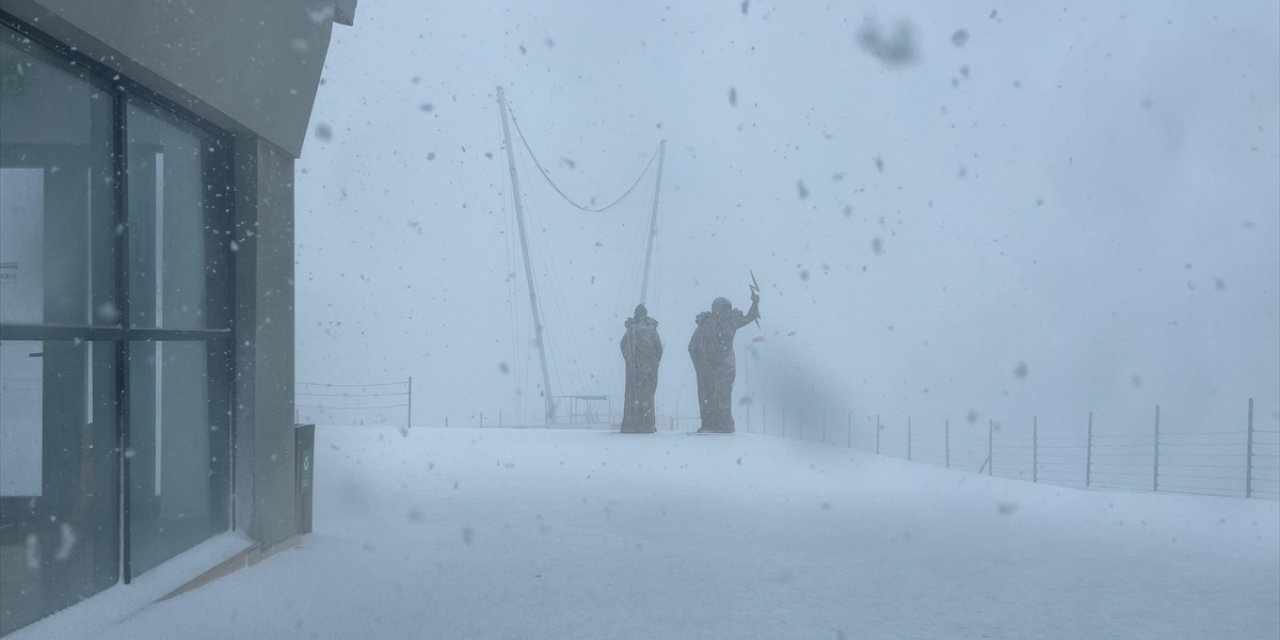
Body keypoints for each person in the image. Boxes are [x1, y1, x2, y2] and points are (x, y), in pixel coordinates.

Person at [688, 291, 760, 433]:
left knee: (721, 393)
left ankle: (722, 422)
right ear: (717, 310)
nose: (726, 312)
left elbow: (750, 317)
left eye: (727, 309)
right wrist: (702, 364)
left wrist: (755, 302)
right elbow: (692, 347)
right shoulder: (707, 325)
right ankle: (711, 423)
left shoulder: (729, 322)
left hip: (725, 365)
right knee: (709, 393)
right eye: (723, 309)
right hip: (712, 365)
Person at [620, 304, 662, 433]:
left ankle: (632, 424)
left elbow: (623, 346)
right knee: (647, 395)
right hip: (648, 368)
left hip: (634, 369)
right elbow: (658, 349)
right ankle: (647, 423)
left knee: (634, 396)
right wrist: (653, 363)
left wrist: (630, 359)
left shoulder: (631, 329)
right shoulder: (652, 329)